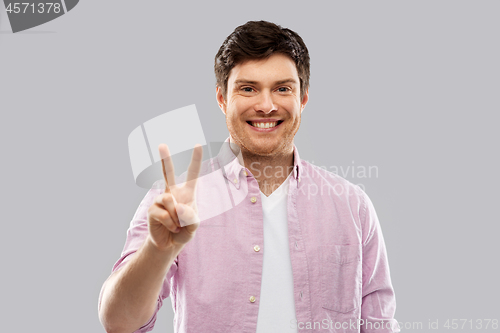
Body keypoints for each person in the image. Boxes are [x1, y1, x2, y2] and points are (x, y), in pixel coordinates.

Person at [98, 20, 400, 333]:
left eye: (283, 89)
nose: (266, 106)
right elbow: (119, 322)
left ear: (303, 98)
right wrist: (157, 250)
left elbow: (379, 325)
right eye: (248, 89)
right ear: (222, 99)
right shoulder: (175, 199)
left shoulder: (352, 205)